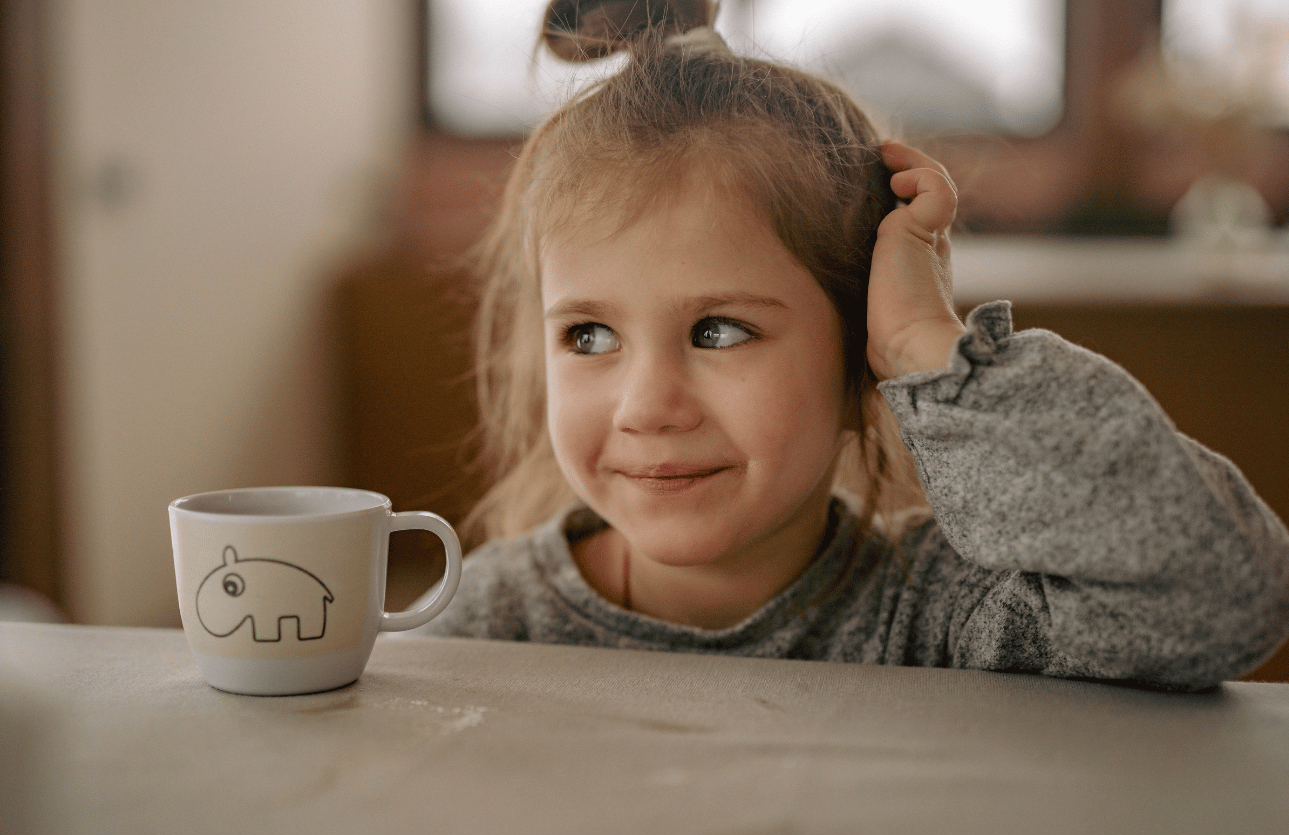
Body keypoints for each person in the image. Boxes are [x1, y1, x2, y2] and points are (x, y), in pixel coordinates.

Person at [407, 0, 1289, 691]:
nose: (646, 407)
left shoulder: (937, 618)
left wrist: (928, 351)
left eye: (718, 331)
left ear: (858, 363)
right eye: (588, 334)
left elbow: (1224, 595)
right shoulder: (496, 617)